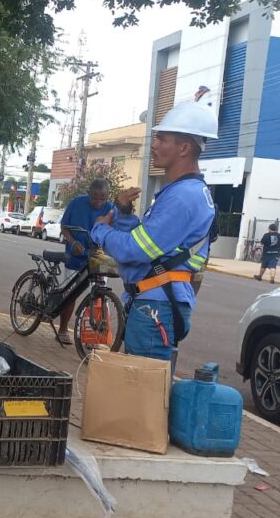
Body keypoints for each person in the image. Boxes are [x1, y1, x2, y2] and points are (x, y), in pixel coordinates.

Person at [91, 101, 218, 367]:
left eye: (162, 139)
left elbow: (134, 250)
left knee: (143, 389)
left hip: (155, 307)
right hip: (155, 302)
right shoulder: (184, 192)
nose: (154, 145)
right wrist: (125, 214)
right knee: (145, 386)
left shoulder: (183, 197)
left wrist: (101, 229)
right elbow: (150, 244)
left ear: (184, 148)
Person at [56, 178, 115, 345]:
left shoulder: (111, 209)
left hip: (98, 259)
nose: (98, 202)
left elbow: (114, 232)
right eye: (94, 197)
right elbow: (64, 227)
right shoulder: (76, 203)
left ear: (108, 195)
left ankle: (93, 337)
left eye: (103, 198)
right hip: (75, 257)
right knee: (70, 295)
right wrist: (72, 242)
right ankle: (62, 330)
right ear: (88, 193)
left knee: (98, 296)